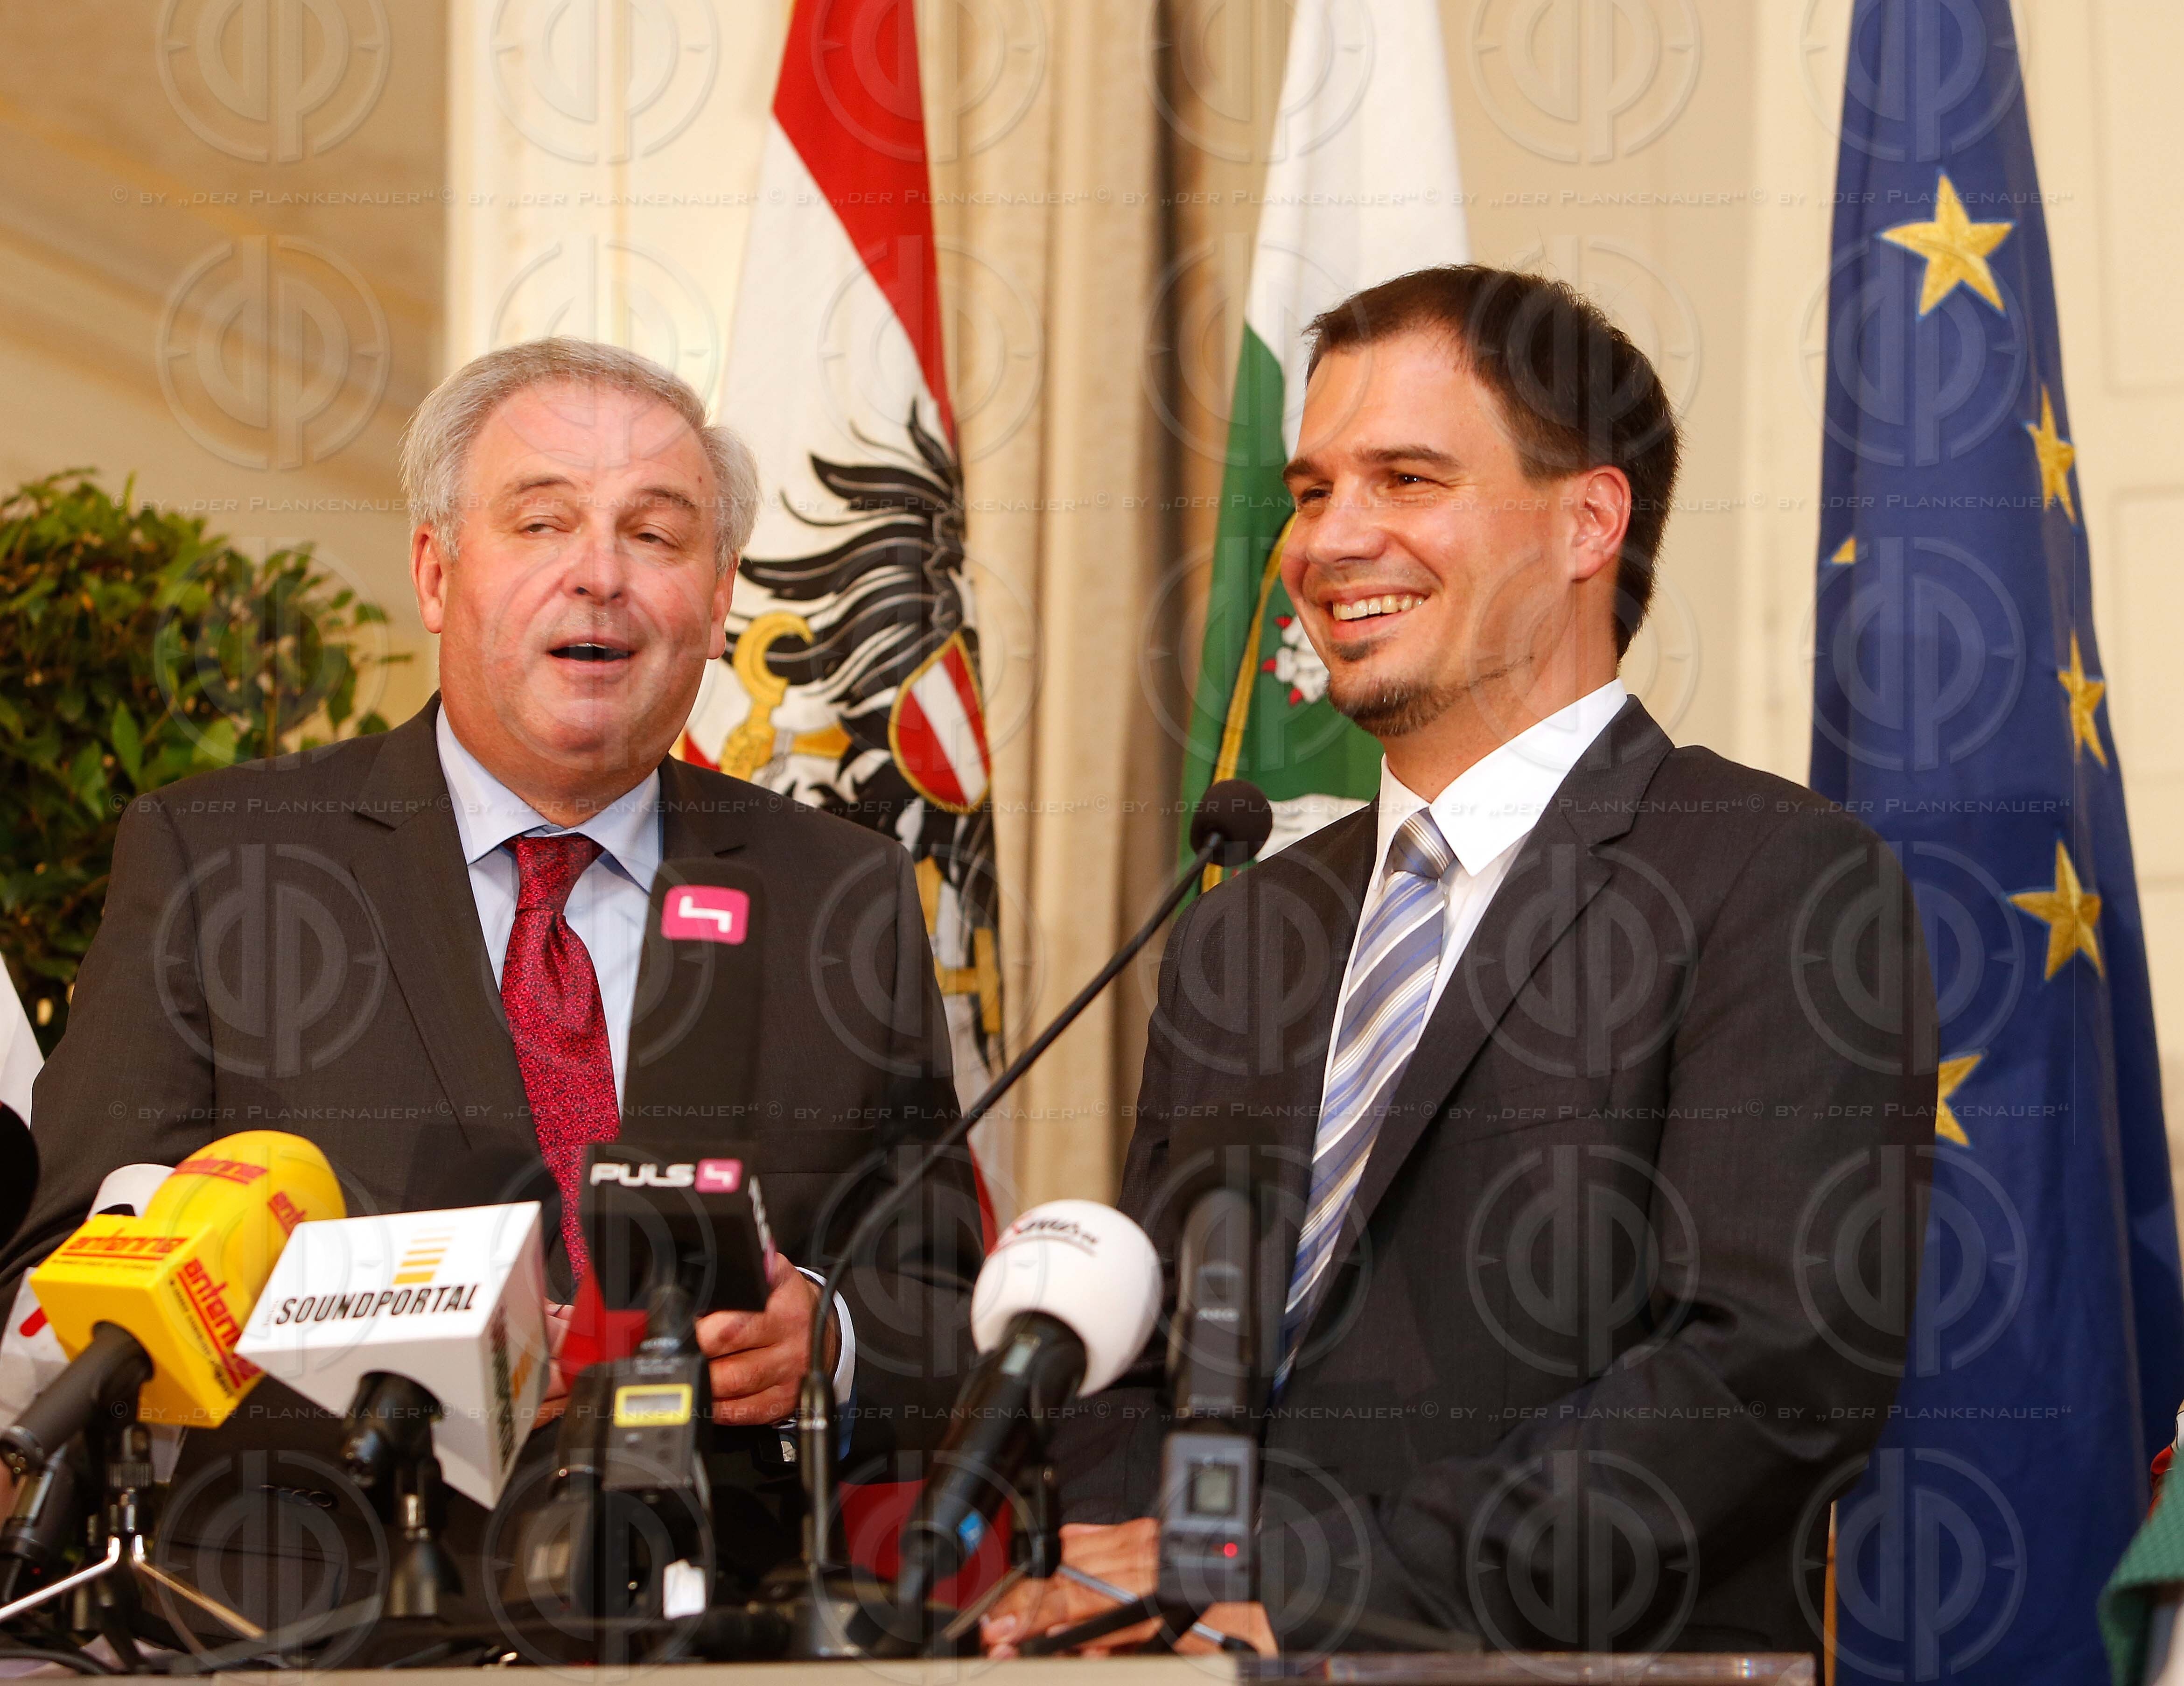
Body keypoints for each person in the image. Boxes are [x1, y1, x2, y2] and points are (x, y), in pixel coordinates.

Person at [985, 266, 1937, 1660]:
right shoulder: (1243, 926)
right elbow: (1147, 1337)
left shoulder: (1777, 877)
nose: (1329, 540)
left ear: (1588, 521)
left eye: (1407, 480)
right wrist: (1129, 1568)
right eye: (1313, 491)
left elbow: (1768, 1373)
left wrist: (1309, 1582)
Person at [2, 339, 981, 1476]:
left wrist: (834, 1343)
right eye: (543, 522)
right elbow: (57, 1275)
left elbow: (945, 1308)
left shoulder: (844, 893)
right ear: (435, 573)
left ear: (719, 602)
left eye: (655, 536)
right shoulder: (220, 859)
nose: (600, 574)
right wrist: (377, 1341)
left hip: (712, 1581)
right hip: (320, 1572)